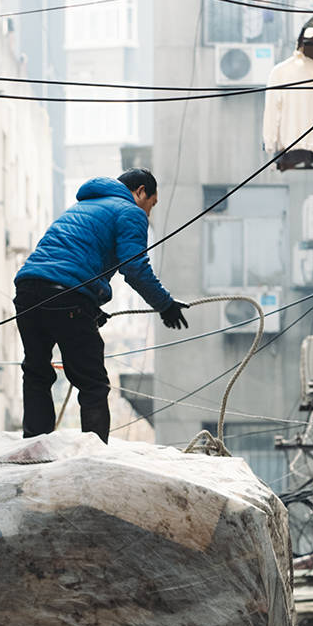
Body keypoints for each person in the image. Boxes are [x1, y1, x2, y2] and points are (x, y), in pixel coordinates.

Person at [13, 169, 189, 441]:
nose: (149, 214)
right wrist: (165, 305)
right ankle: (94, 454)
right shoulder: (130, 212)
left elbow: (70, 260)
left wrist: (90, 308)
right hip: (67, 295)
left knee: (36, 372)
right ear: (140, 191)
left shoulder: (82, 207)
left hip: (27, 292)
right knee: (92, 383)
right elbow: (134, 268)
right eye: (151, 205)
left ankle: (36, 447)